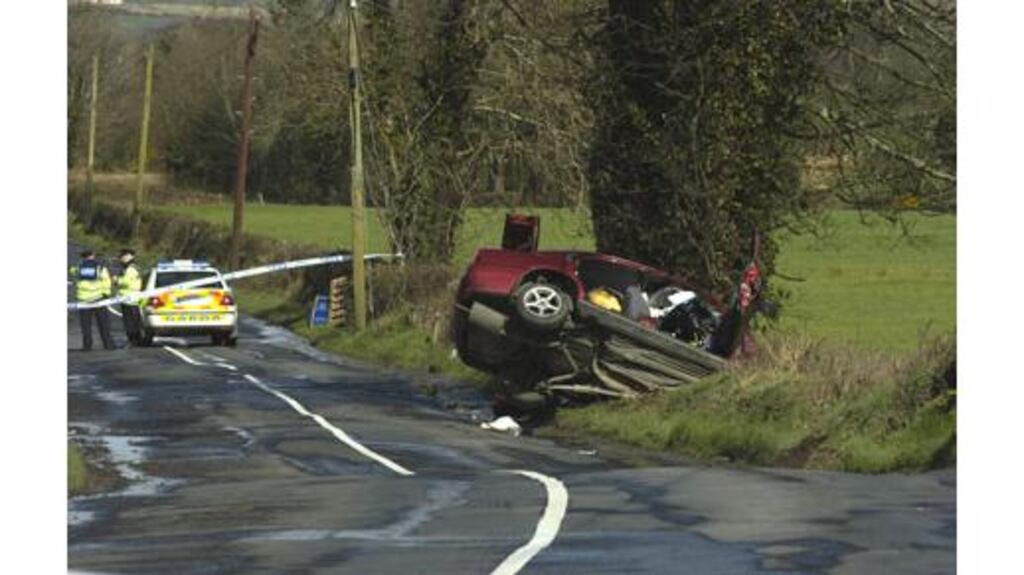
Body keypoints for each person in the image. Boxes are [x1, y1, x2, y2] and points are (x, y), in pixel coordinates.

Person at [70, 250, 114, 351]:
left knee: (86, 325)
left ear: (83, 257)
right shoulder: (100, 268)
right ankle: (108, 344)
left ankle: (87, 346)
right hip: (98, 298)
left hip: (83, 300)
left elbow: (72, 272)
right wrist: (106, 294)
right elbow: (106, 281)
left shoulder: (78, 268)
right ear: (93, 256)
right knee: (103, 324)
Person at [114, 248, 144, 345]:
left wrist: (116, 280)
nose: (121, 259)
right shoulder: (133, 267)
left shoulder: (130, 269)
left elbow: (126, 282)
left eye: (123, 256)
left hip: (129, 299)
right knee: (134, 321)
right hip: (130, 298)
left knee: (130, 322)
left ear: (129, 256)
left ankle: (133, 340)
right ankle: (136, 340)